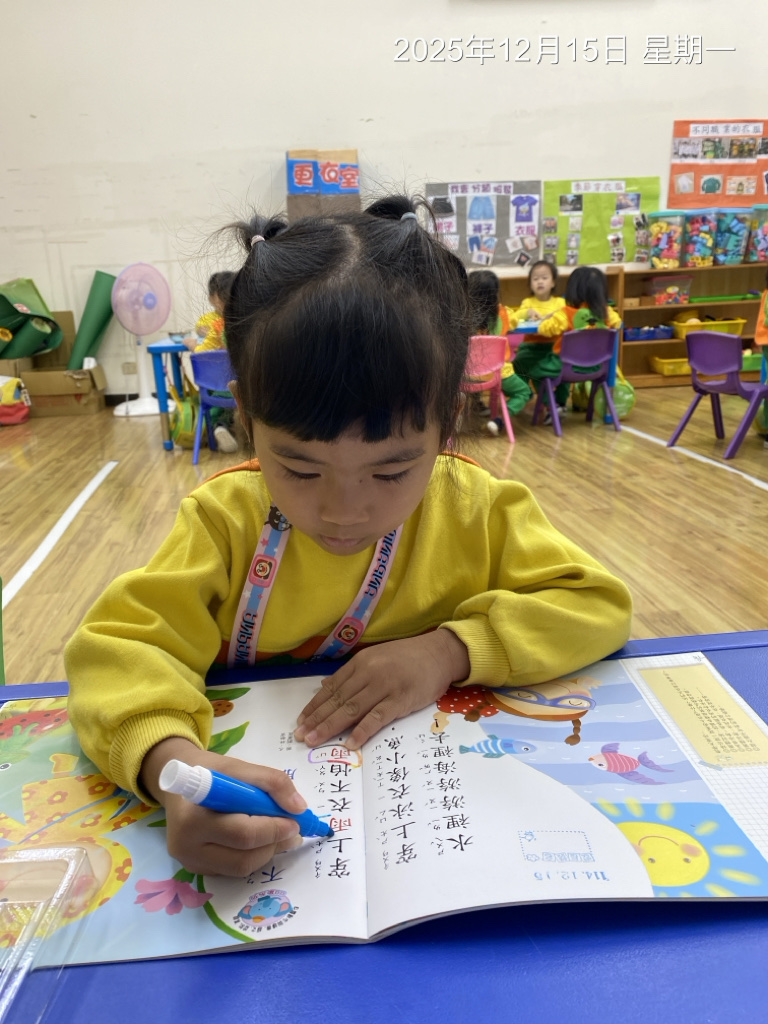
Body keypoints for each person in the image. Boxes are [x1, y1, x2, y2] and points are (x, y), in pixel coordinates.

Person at [65, 196, 633, 879]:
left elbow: (596, 603)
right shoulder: (226, 522)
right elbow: (121, 652)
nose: (342, 511)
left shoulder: (474, 508)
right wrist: (171, 766)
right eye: (300, 469)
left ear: (447, 420)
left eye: (391, 471)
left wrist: (450, 651)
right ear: (245, 417)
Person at [516, 265, 621, 423]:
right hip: (598, 369)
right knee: (550, 366)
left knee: (536, 369)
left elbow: (545, 329)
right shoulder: (607, 312)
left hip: (566, 368)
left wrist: (551, 318)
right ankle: (560, 404)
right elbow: (617, 324)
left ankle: (551, 405)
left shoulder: (566, 313)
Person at [466, 270, 532, 435]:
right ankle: (499, 420)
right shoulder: (504, 314)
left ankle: (476, 405)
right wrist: (527, 312)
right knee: (524, 391)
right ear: (496, 294)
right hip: (499, 373)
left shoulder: (462, 316)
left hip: (469, 373)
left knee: (475, 370)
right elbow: (516, 319)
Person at [185, 271, 238, 453]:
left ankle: (218, 426)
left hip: (216, 389)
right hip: (246, 391)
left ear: (215, 298)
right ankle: (230, 428)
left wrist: (192, 345)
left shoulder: (217, 327)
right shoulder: (248, 321)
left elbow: (202, 351)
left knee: (217, 398)